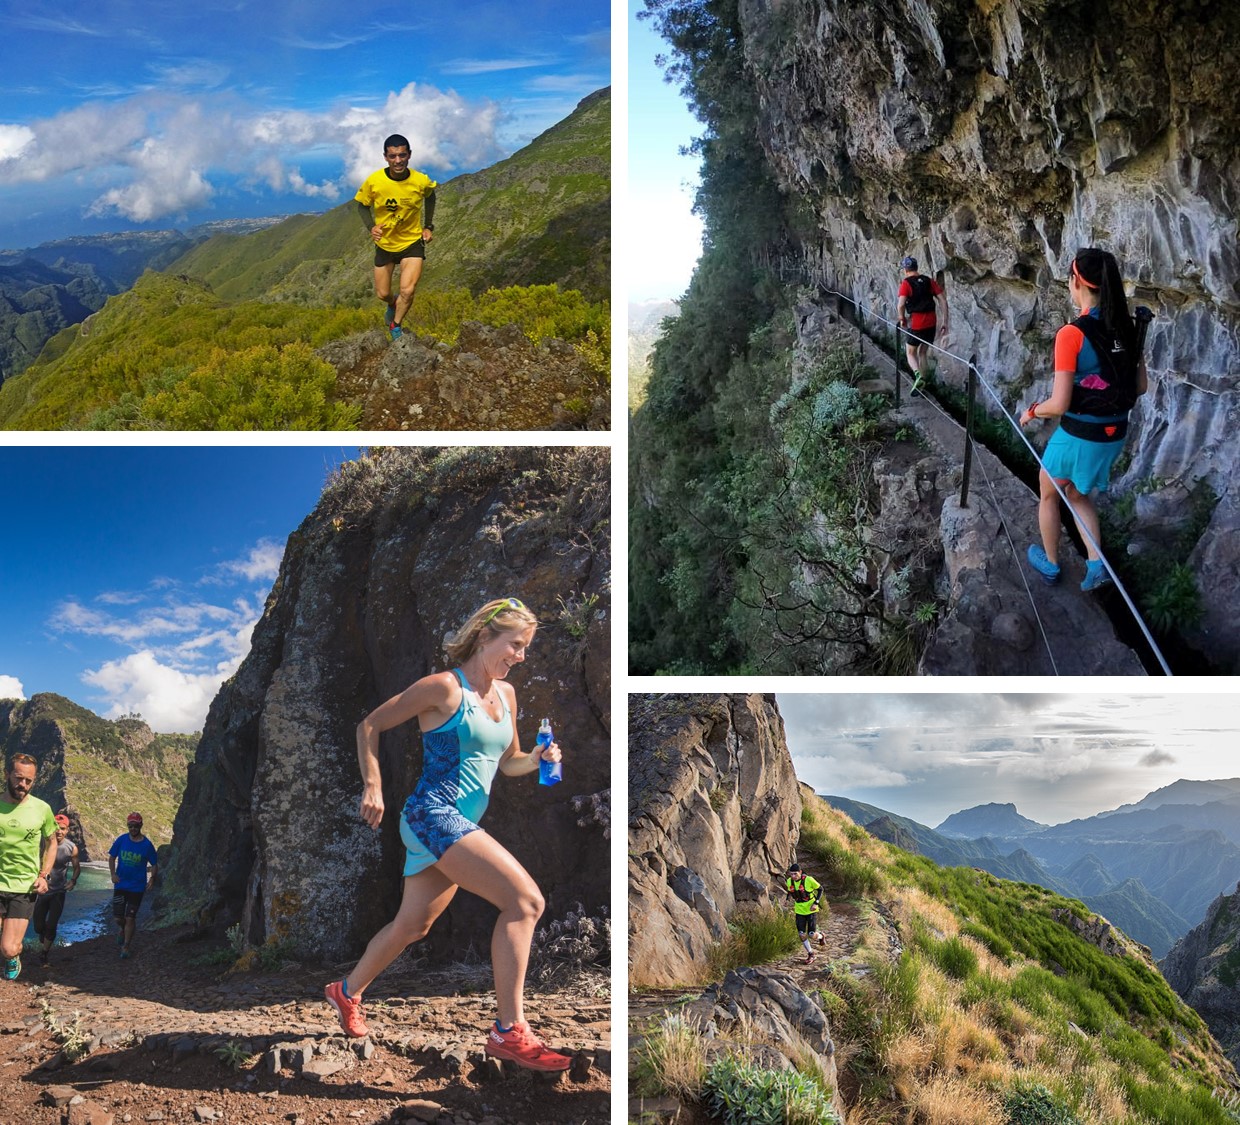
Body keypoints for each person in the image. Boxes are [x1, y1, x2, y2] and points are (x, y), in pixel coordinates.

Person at [324, 597, 571, 1072]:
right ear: (485, 637)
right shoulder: (443, 688)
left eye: (525, 648)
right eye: (515, 645)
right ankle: (508, 1031)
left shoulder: (508, 696)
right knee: (525, 902)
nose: (521, 655)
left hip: (461, 824)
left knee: (413, 925)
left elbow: (509, 761)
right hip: (431, 814)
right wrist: (372, 786)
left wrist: (538, 760)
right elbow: (369, 725)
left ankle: (346, 991)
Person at [1020, 247, 1148, 591]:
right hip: (1114, 434)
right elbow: (1141, 386)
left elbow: (1059, 403)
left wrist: (1032, 412)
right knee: (1076, 493)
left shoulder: (1071, 334)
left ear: (1076, 281)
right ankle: (1095, 566)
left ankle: (1050, 563)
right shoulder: (1128, 328)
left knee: (1048, 492)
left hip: (1080, 433)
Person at [355, 133, 438, 341]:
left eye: (402, 155)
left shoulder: (420, 181)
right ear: (385, 157)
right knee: (383, 294)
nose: (398, 160)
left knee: (407, 290)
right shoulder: (375, 181)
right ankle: (393, 304)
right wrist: (370, 227)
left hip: (412, 243)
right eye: (393, 156)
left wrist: (428, 226)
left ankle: (396, 325)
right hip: (385, 244)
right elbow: (362, 206)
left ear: (409, 155)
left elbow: (431, 196)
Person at [0, 753, 57, 981]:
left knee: (9, 948)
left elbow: (52, 842)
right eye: (18, 778)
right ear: (7, 775)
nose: (22, 784)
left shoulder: (42, 809)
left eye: (28, 781)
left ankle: (13, 955)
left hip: (23, 887)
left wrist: (44, 876)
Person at [109, 812, 158, 959]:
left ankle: (126, 947)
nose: (133, 828)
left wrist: (152, 879)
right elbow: (112, 857)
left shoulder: (147, 845)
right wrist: (113, 874)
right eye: (130, 826)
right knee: (118, 917)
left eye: (136, 826)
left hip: (137, 887)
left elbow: (154, 864)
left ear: (141, 825)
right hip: (120, 885)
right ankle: (122, 929)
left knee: (130, 917)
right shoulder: (122, 840)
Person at [33, 813, 79, 967]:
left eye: (63, 828)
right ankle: (43, 934)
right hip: (41, 891)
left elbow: (77, 867)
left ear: (67, 831)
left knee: (52, 925)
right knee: (38, 926)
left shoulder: (71, 848)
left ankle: (44, 954)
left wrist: (73, 880)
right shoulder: (41, 843)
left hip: (58, 892)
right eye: (56, 828)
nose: (59, 831)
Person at [896, 255, 949, 388]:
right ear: (916, 267)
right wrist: (945, 322)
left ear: (905, 269)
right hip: (932, 321)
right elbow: (942, 300)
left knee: (910, 352)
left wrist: (902, 319)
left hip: (917, 323)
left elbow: (900, 305)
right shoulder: (928, 281)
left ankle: (918, 376)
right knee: (922, 352)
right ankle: (925, 382)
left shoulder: (906, 283)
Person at [784, 862, 825, 964]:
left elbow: (820, 889)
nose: (793, 876)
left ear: (800, 872)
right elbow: (791, 891)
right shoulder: (789, 881)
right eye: (791, 874)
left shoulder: (809, 880)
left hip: (811, 910)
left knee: (811, 934)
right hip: (799, 910)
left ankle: (821, 936)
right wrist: (787, 898)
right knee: (801, 934)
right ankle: (811, 954)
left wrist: (816, 903)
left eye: (795, 874)